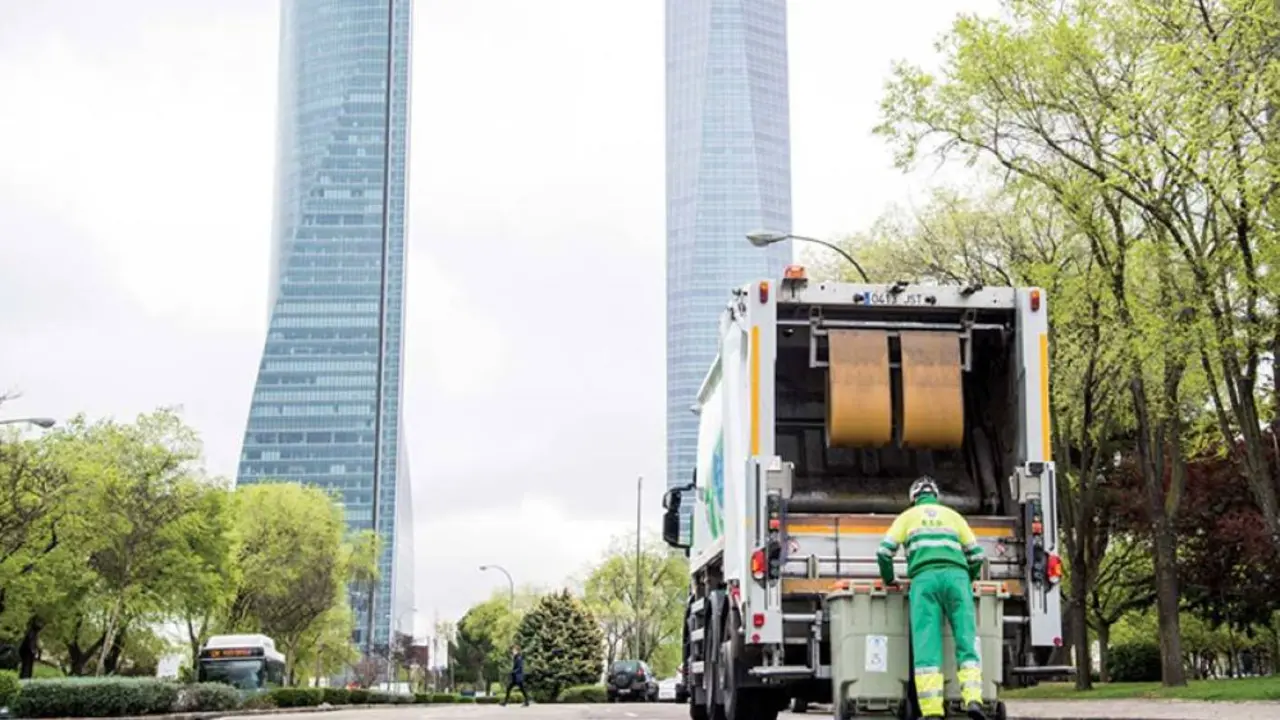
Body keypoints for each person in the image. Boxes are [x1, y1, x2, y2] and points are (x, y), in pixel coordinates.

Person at [876, 476, 986, 720]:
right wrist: (968, 579)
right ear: (936, 496)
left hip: (924, 581)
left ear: (913, 497)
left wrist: (889, 579)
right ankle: (973, 700)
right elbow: (977, 555)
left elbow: (883, 552)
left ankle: (932, 711)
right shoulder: (954, 516)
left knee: (927, 647)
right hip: (958, 579)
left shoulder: (907, 517)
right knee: (967, 642)